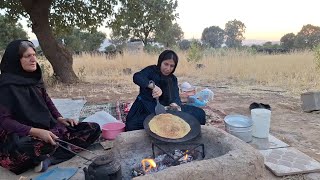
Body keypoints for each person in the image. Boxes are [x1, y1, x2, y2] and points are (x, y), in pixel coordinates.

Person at [0, 40, 101, 175]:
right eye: (27, 56)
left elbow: (46, 100)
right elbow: (5, 122)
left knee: (93, 128)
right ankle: (51, 152)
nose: (33, 59)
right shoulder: (5, 86)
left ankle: (49, 159)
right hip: (21, 135)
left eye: (34, 55)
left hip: (46, 128)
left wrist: (59, 118)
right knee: (30, 147)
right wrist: (36, 132)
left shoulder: (34, 76)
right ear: (15, 60)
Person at [125, 50, 206, 131]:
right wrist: (153, 86)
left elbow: (175, 96)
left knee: (200, 114)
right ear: (160, 62)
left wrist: (175, 104)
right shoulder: (151, 70)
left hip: (165, 110)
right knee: (131, 125)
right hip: (145, 106)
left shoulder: (173, 79)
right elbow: (137, 77)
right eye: (166, 64)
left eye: (172, 66)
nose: (168, 68)